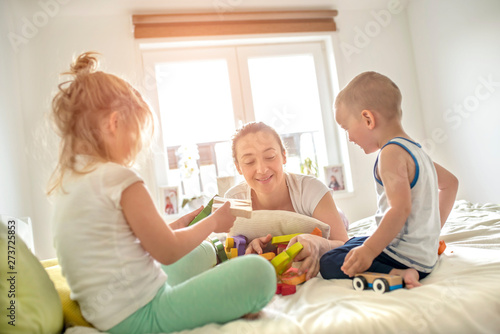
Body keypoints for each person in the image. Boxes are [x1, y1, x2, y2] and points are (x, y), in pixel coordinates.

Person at [48, 52, 276, 334]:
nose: (135, 150)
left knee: (203, 252)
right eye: (136, 135)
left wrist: (177, 226)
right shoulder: (119, 178)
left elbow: (124, 244)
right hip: (142, 316)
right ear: (113, 124)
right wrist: (215, 222)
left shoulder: (70, 184)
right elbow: (167, 252)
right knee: (260, 273)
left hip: (109, 311)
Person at [320, 71, 458, 288]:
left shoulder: (390, 153)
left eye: (347, 128)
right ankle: (395, 261)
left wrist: (370, 251)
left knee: (329, 261)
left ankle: (397, 274)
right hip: (425, 257)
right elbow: (451, 184)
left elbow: (399, 209)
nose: (350, 138)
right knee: (353, 241)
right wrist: (429, 235)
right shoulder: (416, 152)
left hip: (403, 258)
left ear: (368, 119)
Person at [225, 122, 349, 281]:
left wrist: (321, 244)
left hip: (327, 216)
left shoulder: (311, 189)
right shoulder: (235, 200)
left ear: (284, 156)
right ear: (238, 168)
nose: (262, 169)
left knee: (340, 219)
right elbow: (233, 248)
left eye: (270, 157)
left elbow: (344, 244)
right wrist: (250, 249)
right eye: (249, 162)